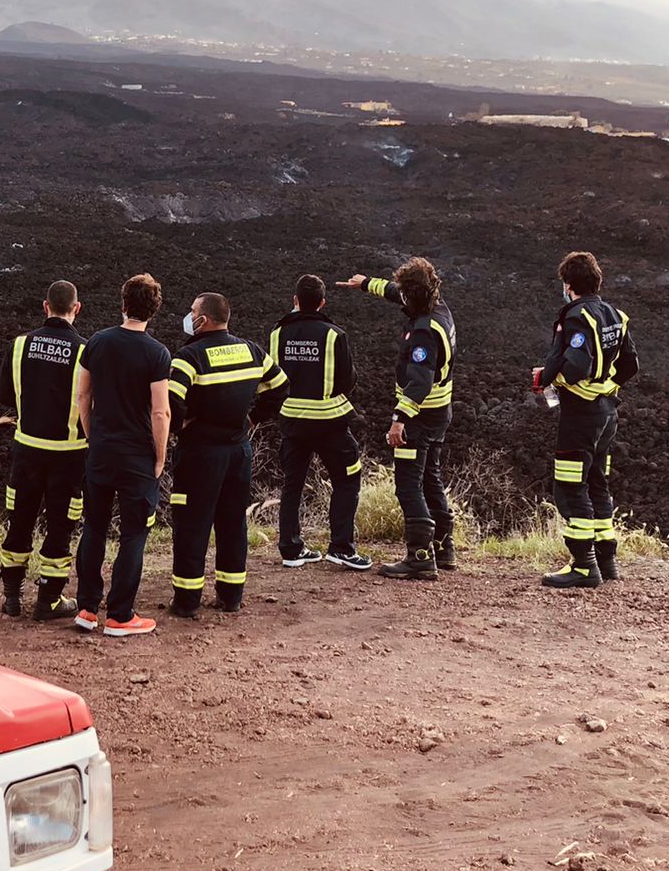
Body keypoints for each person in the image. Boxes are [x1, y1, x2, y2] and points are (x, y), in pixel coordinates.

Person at [164, 292, 287, 616]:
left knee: (192, 526)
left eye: (192, 311)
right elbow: (281, 385)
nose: (189, 316)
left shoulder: (187, 357)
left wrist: (182, 424)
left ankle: (187, 601)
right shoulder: (251, 351)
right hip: (238, 451)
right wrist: (252, 417)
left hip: (200, 455)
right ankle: (231, 596)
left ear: (203, 319)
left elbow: (171, 407)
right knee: (233, 524)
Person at [339, 259, 457, 581]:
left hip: (418, 418)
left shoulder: (422, 333)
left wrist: (399, 419)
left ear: (413, 296)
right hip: (440, 414)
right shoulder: (438, 308)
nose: (401, 296)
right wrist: (366, 283)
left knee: (408, 486)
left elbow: (419, 382)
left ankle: (419, 557)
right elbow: (398, 293)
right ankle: (444, 548)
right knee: (430, 477)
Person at [72, 274, 172, 638]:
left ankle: (86, 608)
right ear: (154, 309)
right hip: (136, 457)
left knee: (94, 528)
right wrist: (159, 457)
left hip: (101, 451)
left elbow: (83, 396)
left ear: (123, 302)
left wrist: (91, 435)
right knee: (133, 534)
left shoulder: (96, 342)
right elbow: (160, 412)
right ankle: (120, 615)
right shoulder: (157, 353)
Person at [534, 250, 640, 590]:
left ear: (569, 285)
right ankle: (605, 560)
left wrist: (551, 380)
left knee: (569, 485)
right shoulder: (616, 316)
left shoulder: (578, 317)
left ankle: (583, 566)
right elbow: (630, 366)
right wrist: (605, 387)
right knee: (597, 482)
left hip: (581, 415)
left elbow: (576, 365)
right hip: (607, 413)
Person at [0, 279, 88, 620]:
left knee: (19, 522)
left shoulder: (20, 346)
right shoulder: (84, 351)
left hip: (27, 451)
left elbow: (5, 396)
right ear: (76, 309)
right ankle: (48, 600)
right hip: (69, 455)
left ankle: (12, 598)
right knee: (61, 526)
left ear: (45, 306)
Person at [266, 273, 369, 570]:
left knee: (292, 485)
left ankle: (290, 549)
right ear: (322, 303)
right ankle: (341, 547)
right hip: (329, 422)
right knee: (347, 479)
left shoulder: (276, 334)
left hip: (291, 423)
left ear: (295, 301)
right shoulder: (334, 334)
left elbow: (272, 381)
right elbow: (347, 381)